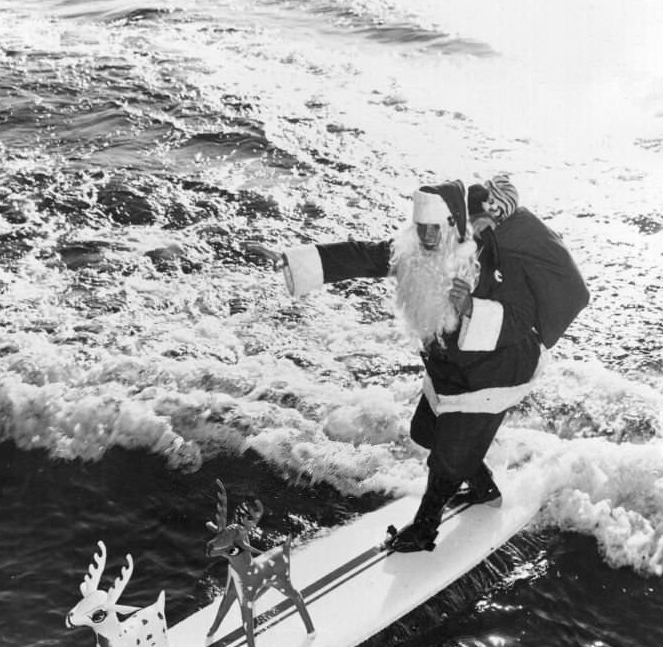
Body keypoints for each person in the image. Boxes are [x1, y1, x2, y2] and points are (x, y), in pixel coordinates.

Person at [251, 175, 589, 552]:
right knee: (425, 434)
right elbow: (363, 255)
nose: (428, 236)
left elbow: (517, 320)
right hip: (450, 370)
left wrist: (470, 308)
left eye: (435, 229)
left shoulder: (488, 260)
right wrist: (291, 259)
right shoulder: (412, 251)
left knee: (446, 461)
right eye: (421, 227)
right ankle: (484, 488)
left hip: (494, 371)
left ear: (452, 225)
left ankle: (425, 529)